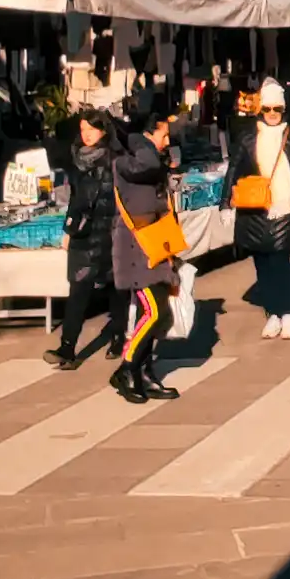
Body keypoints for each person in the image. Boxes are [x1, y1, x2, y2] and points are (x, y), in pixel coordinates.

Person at [226, 78, 290, 339]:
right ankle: (272, 312)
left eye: (277, 110)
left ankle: (288, 312)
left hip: (285, 206)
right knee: (261, 263)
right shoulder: (248, 136)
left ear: (284, 110)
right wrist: (226, 202)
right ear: (260, 110)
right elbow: (234, 168)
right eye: (267, 109)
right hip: (254, 207)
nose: (272, 115)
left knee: (280, 262)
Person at [45, 109, 126, 368]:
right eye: (83, 129)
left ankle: (118, 336)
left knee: (116, 289)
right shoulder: (77, 159)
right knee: (78, 291)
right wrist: (69, 229)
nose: (87, 134)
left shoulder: (115, 159)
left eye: (91, 129)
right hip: (84, 234)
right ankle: (67, 348)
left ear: (103, 130)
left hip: (110, 232)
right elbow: (77, 198)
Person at [111, 105, 181, 404]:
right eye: (163, 135)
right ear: (147, 135)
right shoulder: (132, 162)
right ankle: (127, 367)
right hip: (137, 248)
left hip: (154, 246)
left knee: (153, 314)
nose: (167, 142)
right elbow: (148, 164)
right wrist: (144, 144)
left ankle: (145, 371)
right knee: (154, 311)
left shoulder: (148, 160)